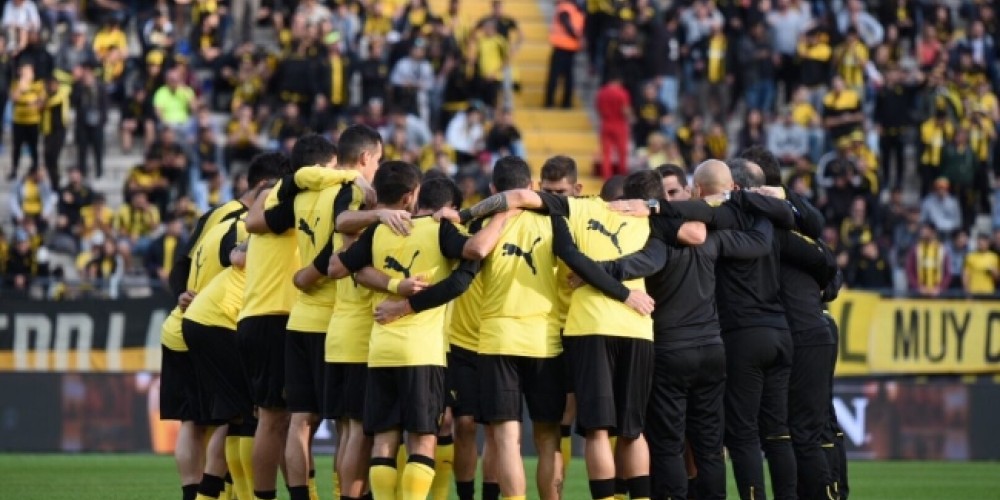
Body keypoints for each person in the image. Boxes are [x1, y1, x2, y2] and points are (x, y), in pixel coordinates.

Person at [323, 162, 507, 500]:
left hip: (379, 351)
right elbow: (475, 251)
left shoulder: (378, 232)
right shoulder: (438, 230)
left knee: (384, 440)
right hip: (421, 352)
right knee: (423, 439)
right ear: (412, 195)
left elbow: (337, 267)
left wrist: (391, 282)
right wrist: (500, 216)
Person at [161, 151, 289, 500]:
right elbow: (241, 269)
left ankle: (200, 495)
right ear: (267, 186)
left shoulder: (215, 215)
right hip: (218, 322)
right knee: (241, 415)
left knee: (198, 421)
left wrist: (184, 296)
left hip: (181, 325)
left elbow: (179, 267)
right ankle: (232, 494)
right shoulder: (247, 225)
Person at [272, 125, 382, 500]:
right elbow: (338, 247)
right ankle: (345, 495)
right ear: (365, 158)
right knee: (349, 425)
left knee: (299, 420)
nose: (376, 169)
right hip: (331, 317)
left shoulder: (304, 191)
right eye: (377, 161)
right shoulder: (350, 192)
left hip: (299, 318)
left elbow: (268, 210)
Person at [241, 135, 340, 500]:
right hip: (277, 313)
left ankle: (301, 492)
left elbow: (251, 226)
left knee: (287, 420)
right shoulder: (291, 194)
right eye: (332, 167)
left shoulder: (272, 197)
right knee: (276, 420)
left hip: (260, 313)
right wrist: (349, 177)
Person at [543, 0, 583, 109]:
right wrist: (577, 36)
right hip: (564, 47)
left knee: (562, 77)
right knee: (561, 77)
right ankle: (557, 102)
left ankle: (560, 102)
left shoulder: (573, 9)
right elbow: (565, 21)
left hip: (567, 48)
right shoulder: (569, 7)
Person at [9, 62, 44, 181]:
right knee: (16, 147)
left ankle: (35, 168)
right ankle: (14, 169)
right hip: (18, 120)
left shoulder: (38, 85)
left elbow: (42, 102)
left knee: (33, 146)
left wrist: (34, 104)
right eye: (24, 72)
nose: (27, 74)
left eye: (29, 71)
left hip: (32, 120)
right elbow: (13, 98)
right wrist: (21, 87)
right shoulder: (16, 84)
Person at [596, 73, 633, 180]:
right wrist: (631, 118)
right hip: (619, 124)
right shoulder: (622, 93)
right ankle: (622, 176)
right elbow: (625, 110)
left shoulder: (601, 92)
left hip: (606, 124)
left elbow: (598, 109)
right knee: (622, 152)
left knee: (606, 153)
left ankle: (606, 176)